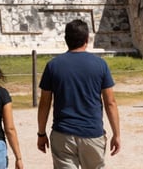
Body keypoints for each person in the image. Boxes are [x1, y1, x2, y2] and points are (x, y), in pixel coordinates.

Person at [37, 19, 121, 168]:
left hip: (63, 134)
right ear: (87, 39)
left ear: (66, 39)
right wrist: (116, 134)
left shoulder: (53, 66)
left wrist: (41, 133)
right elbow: (110, 102)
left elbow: (44, 103)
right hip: (92, 133)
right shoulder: (100, 65)